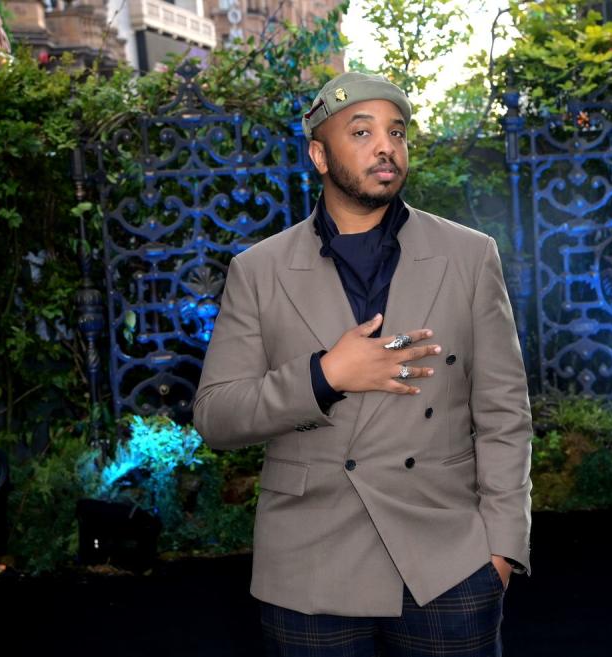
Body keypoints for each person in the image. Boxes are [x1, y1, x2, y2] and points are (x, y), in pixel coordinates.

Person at [193, 71, 533, 656]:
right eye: (362, 131)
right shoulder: (259, 270)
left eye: (396, 132)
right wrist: (324, 377)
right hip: (310, 568)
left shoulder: (469, 256)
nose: (386, 146)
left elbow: (505, 413)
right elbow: (216, 415)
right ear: (320, 155)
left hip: (447, 564)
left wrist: (500, 549)